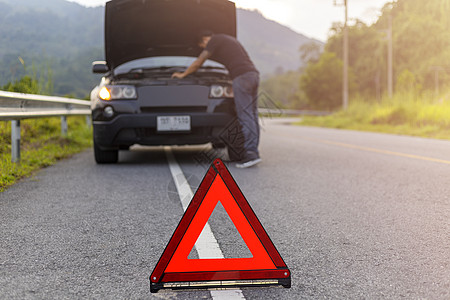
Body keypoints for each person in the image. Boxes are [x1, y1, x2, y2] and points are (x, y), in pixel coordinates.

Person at [172, 30, 261, 168]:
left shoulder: (214, 40)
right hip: (252, 75)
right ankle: (253, 152)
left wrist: (183, 75)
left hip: (242, 77)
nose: (203, 48)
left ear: (204, 40)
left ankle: (251, 154)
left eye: (202, 46)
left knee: (245, 115)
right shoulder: (227, 39)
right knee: (252, 115)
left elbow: (199, 62)